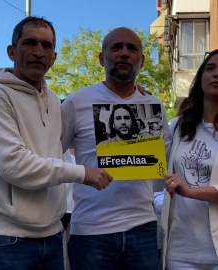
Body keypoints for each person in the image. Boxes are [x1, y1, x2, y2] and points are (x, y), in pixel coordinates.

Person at [0, 16, 112, 270]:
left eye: (46, 45)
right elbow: (14, 165)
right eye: (30, 43)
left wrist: (134, 94)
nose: (39, 52)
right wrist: (83, 173)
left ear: (54, 57)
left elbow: (58, 153)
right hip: (7, 241)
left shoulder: (54, 99)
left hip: (51, 236)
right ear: (12, 51)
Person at [61, 27, 171, 270]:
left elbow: (164, 164)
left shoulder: (154, 106)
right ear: (102, 58)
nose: (124, 53)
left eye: (132, 48)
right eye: (116, 47)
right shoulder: (75, 102)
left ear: (141, 60)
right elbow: (49, 153)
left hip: (142, 230)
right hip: (90, 233)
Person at [162, 49, 218, 270]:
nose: (216, 74)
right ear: (201, 76)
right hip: (179, 251)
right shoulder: (178, 125)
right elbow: (150, 157)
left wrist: (191, 192)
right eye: (210, 68)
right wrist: (137, 99)